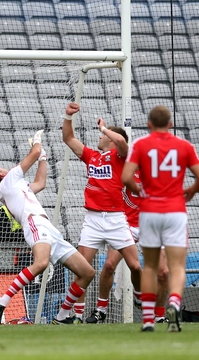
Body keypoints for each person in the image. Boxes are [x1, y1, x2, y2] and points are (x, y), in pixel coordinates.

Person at [0, 130, 96, 325]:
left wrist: (43, 156)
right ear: (2, 174)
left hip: (48, 228)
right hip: (35, 224)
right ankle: (1, 303)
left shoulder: (16, 186)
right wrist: (37, 142)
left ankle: (61, 317)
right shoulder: (8, 181)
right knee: (41, 263)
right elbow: (33, 153)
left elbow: (41, 183)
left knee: (87, 273)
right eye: (2, 167)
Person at [61, 102, 142, 324]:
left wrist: (104, 128)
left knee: (135, 265)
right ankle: (76, 315)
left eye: (106, 136)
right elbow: (69, 139)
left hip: (116, 219)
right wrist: (68, 117)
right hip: (93, 220)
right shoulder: (92, 157)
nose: (100, 138)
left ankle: (138, 295)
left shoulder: (121, 157)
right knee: (83, 269)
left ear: (111, 138)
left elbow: (122, 141)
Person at [122, 105, 199, 332]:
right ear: (171, 124)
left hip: (150, 212)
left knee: (151, 267)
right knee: (176, 267)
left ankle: (147, 320)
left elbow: (126, 177)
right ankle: (174, 303)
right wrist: (192, 190)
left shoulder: (140, 145)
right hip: (175, 212)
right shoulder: (184, 146)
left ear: (148, 124)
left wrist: (139, 190)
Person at [77, 172, 171, 324]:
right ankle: (101, 309)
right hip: (125, 224)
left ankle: (159, 315)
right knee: (108, 266)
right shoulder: (125, 167)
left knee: (163, 272)